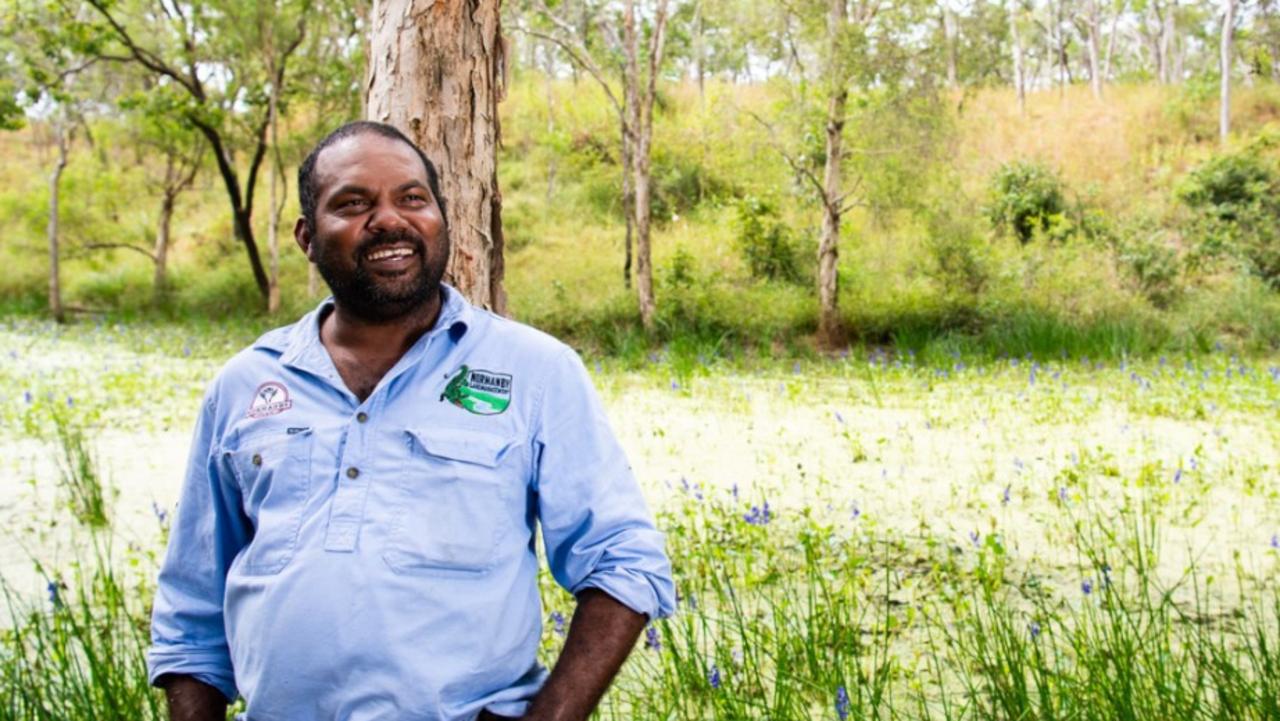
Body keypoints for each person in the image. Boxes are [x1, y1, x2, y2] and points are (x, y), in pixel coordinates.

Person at [147, 121, 676, 721]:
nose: (389, 220)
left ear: (442, 221)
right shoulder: (245, 385)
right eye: (352, 204)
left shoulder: (534, 371)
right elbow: (192, 609)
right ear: (307, 237)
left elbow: (623, 562)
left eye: (412, 198)